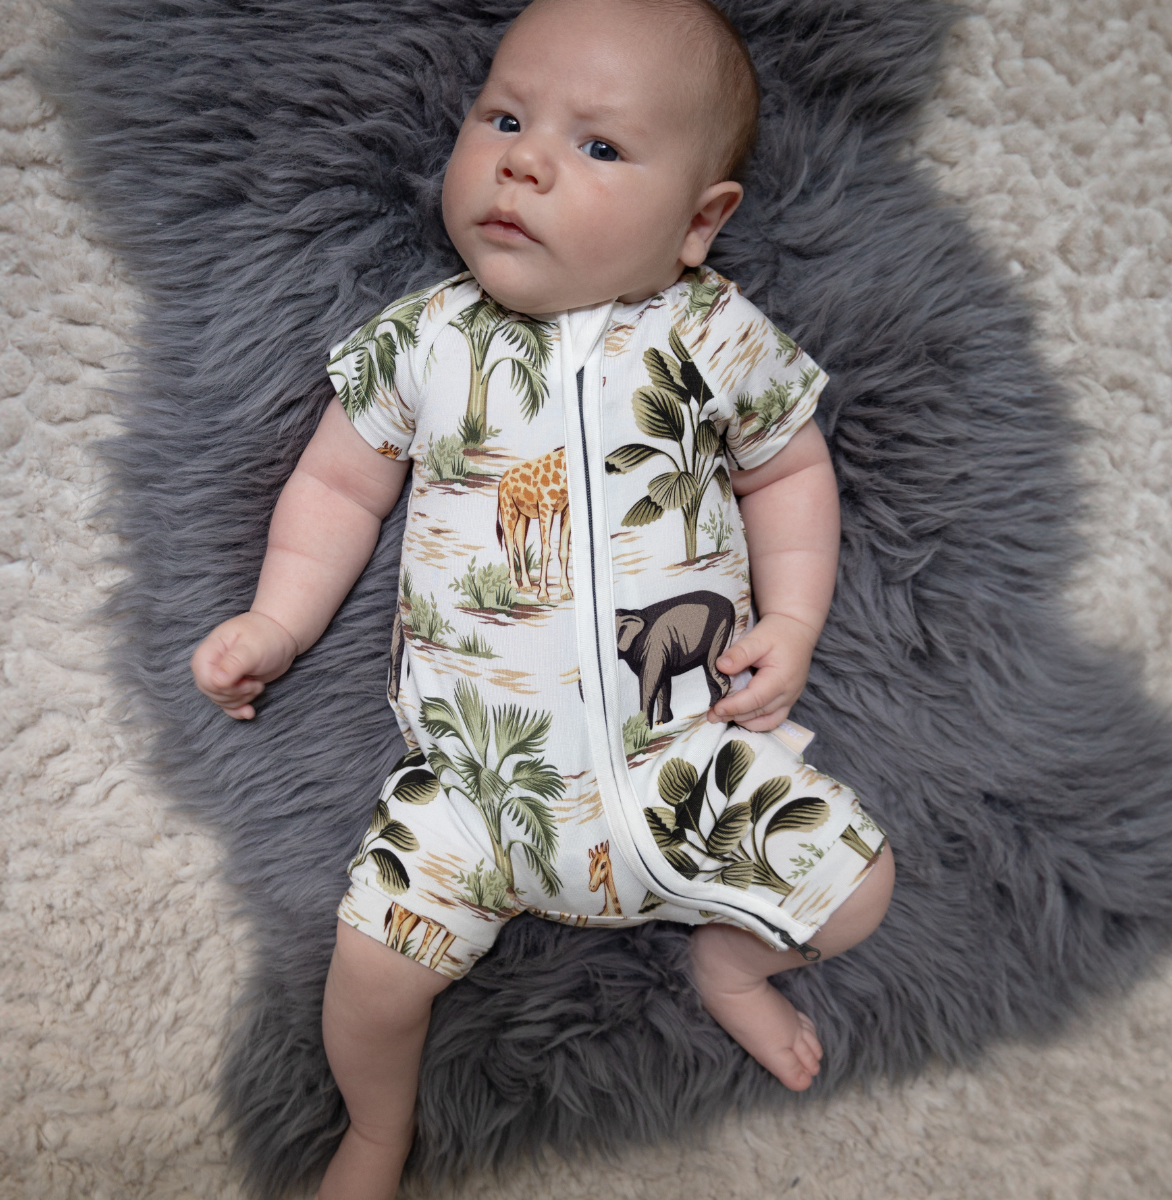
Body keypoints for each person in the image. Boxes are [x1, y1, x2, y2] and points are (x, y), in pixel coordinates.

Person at [191, 0, 895, 1194]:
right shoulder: (427, 339)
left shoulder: (713, 334)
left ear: (699, 223)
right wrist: (277, 621)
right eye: (505, 119)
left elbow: (787, 472)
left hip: (687, 765)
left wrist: (794, 621)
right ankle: (377, 1129)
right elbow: (335, 489)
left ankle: (730, 967)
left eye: (599, 144)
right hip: (477, 791)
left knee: (859, 889)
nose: (523, 161)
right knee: (369, 978)